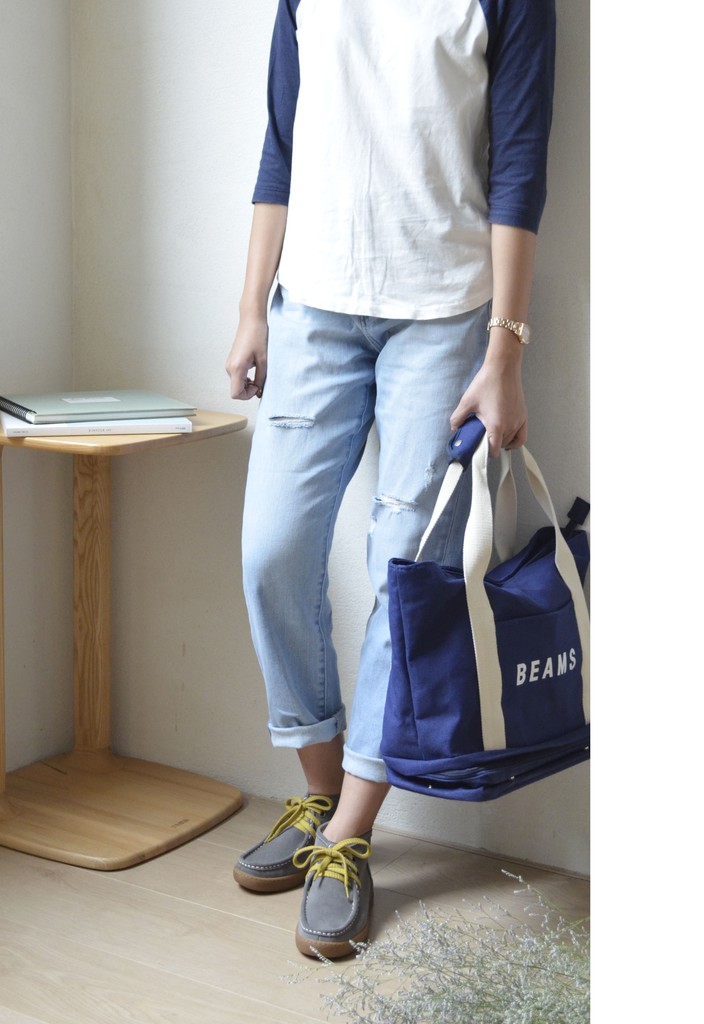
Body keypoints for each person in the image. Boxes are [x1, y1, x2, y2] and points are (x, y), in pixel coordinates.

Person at [224, 0, 556, 960]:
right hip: (312, 309)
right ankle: (320, 794)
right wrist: (252, 311)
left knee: (406, 577)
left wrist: (506, 351)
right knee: (271, 556)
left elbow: (519, 164)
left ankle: (347, 838)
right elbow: (282, 146)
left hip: (444, 317)